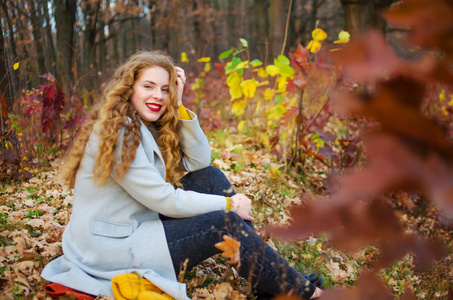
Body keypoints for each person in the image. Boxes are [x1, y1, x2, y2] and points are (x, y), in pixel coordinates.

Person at [41, 51, 323, 300]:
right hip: (111, 246)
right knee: (224, 222)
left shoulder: (138, 121)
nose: (158, 96)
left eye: (165, 89)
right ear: (129, 88)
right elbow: (164, 199)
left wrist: (178, 104)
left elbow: (200, 161)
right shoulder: (118, 131)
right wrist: (229, 205)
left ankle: (270, 280)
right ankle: (305, 293)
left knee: (210, 178)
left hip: (136, 222)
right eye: (148, 86)